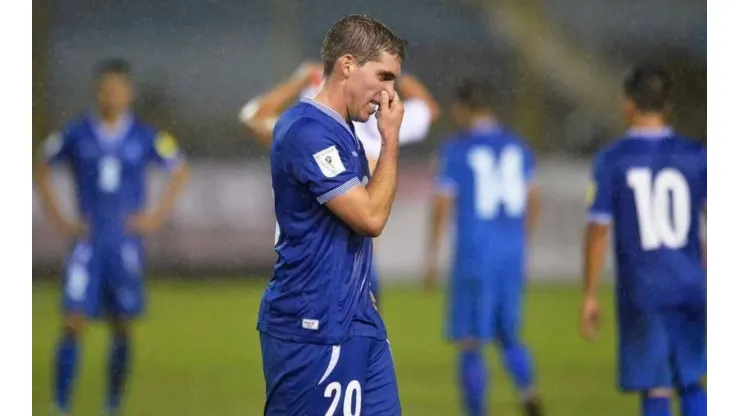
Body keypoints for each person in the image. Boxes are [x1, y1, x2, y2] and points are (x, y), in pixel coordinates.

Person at [256, 15, 406, 415]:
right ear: (347, 65)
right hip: (312, 325)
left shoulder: (343, 129)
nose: (390, 93)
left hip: (358, 319)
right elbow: (371, 218)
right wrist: (391, 140)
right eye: (384, 76)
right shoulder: (306, 130)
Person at [35, 59, 190, 415]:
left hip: (125, 246)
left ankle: (112, 405)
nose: (112, 95)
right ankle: (60, 405)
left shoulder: (145, 136)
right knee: (73, 320)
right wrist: (60, 219)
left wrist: (153, 217)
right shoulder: (76, 133)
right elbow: (41, 166)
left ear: (128, 93)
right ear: (97, 91)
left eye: (119, 89)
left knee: (122, 326)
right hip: (87, 244)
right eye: (106, 89)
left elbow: (180, 169)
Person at [240, 62, 439, 307]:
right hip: (358, 266)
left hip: (313, 266)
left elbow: (252, 117)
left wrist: (299, 80)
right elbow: (429, 108)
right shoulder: (378, 124)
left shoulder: (303, 135)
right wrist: (398, 77)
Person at [581, 64, 707, 416]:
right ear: (666, 105)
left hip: (643, 288)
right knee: (691, 379)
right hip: (690, 285)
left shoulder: (613, 160)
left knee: (656, 384)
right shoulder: (697, 155)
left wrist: (589, 294)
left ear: (629, 104)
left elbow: (598, 230)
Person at [424, 79, 544, 416]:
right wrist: (523, 241)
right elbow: (534, 199)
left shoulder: (456, 150)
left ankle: (476, 411)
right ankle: (528, 389)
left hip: (475, 252)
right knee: (508, 332)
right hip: (511, 251)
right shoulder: (517, 146)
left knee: (470, 341)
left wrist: (432, 255)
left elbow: (443, 205)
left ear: (463, 108)